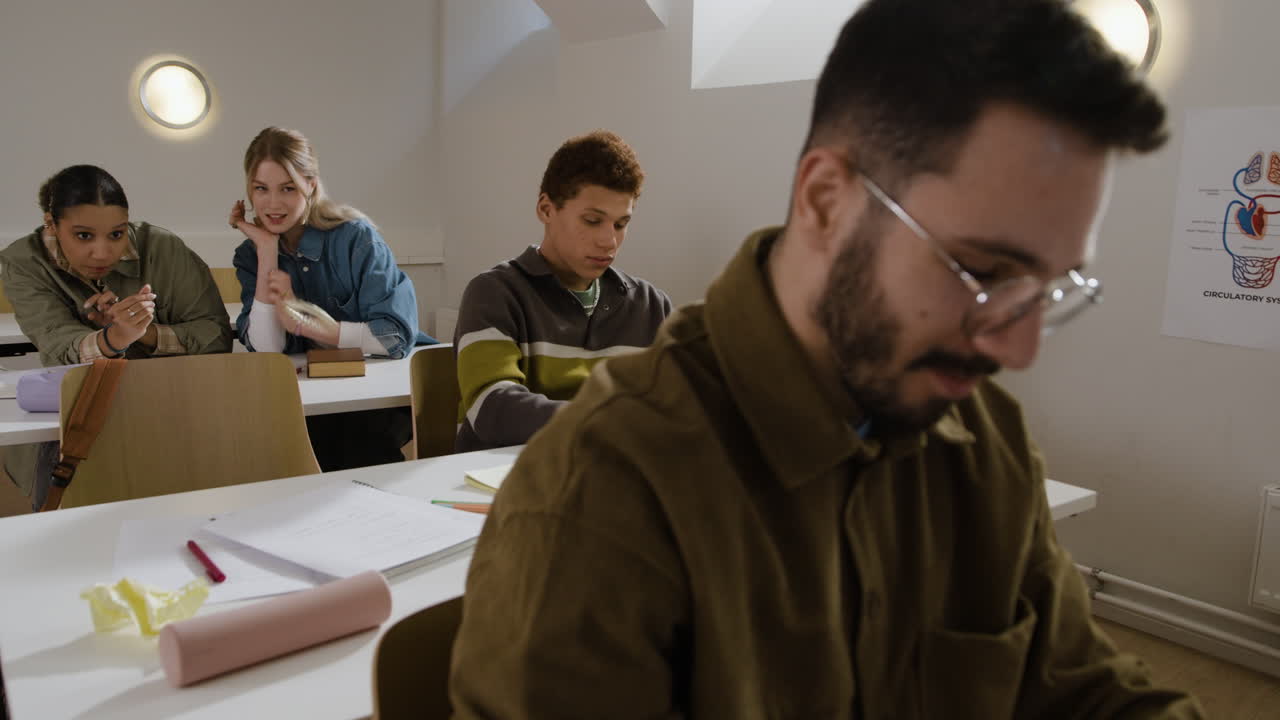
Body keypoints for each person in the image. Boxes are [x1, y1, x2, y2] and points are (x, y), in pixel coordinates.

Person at [449, 1, 1205, 717]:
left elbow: (1086, 684)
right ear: (825, 201)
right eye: (980, 269)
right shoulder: (603, 492)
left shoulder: (985, 441)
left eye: (1050, 287)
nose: (1018, 348)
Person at [1, 164, 232, 510]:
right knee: (69, 522)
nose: (103, 252)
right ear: (51, 224)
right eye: (83, 236)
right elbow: (59, 347)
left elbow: (216, 336)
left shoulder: (163, 248)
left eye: (116, 234)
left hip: (170, 408)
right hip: (78, 418)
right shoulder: (23, 262)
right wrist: (113, 339)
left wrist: (145, 334)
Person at [453, 130, 671, 452]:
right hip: (507, 474)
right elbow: (494, 409)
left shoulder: (651, 306)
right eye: (592, 220)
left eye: (621, 224)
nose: (609, 241)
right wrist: (611, 422)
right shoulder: (494, 294)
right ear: (546, 209)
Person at [230, 126, 431, 471]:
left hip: (381, 392)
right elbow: (267, 352)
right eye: (261, 189)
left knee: (354, 441)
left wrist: (315, 328)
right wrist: (266, 251)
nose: (272, 203)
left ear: (311, 184)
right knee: (286, 442)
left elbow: (395, 338)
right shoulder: (250, 256)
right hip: (314, 397)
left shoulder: (355, 237)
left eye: (288, 188)